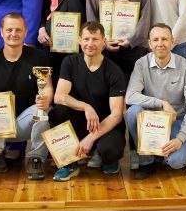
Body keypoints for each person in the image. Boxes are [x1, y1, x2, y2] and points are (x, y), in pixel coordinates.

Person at [0, 13, 53, 180]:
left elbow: (46, 87)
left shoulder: (38, 57)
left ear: (25, 32)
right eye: (9, 30)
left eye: (18, 30)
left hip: (24, 122)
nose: (13, 34)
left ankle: (36, 158)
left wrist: (45, 99)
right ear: (1, 32)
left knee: (42, 113)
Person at [50, 22, 128, 181]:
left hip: (105, 125)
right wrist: (86, 107)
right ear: (79, 40)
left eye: (95, 39)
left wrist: (90, 139)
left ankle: (103, 156)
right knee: (58, 112)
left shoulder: (114, 71)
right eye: (86, 39)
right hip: (81, 122)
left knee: (110, 150)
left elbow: (116, 115)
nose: (90, 44)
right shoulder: (70, 62)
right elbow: (59, 97)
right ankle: (69, 164)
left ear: (104, 42)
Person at [126, 23, 186, 178]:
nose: (160, 43)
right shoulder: (141, 64)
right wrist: (162, 103)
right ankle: (146, 161)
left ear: (172, 42)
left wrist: (180, 138)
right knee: (133, 112)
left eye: (165, 39)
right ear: (150, 44)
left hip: (176, 121)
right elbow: (130, 96)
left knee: (176, 162)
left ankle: (164, 153)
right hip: (150, 122)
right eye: (156, 39)